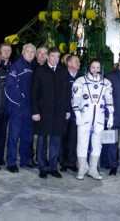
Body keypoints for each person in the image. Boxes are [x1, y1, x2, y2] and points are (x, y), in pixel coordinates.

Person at [31, 47, 71, 178]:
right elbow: (34, 93)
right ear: (47, 57)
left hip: (59, 112)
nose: (55, 59)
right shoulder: (39, 71)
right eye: (53, 56)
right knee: (42, 140)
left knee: (55, 140)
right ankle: (43, 166)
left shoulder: (63, 72)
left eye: (57, 57)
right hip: (43, 112)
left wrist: (67, 109)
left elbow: (66, 93)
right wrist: (35, 111)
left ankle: (53, 166)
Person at [72, 58, 114, 180]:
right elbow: (76, 99)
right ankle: (81, 168)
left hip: (99, 118)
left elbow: (109, 100)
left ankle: (93, 168)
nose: (95, 70)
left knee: (97, 143)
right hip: (84, 117)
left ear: (101, 68)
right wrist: (78, 115)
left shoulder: (106, 83)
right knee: (82, 143)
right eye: (93, 67)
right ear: (89, 67)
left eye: (97, 68)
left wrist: (111, 116)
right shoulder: (80, 81)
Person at [4, 43, 37, 173]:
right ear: (23, 52)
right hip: (18, 108)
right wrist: (20, 99)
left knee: (27, 136)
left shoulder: (33, 66)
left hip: (30, 108)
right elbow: (10, 86)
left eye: (32, 52)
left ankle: (25, 160)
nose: (30, 54)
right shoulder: (16, 66)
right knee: (14, 135)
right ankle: (11, 162)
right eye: (28, 51)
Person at [60, 54, 83, 173]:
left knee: (74, 139)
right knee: (63, 138)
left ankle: (71, 162)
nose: (79, 63)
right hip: (64, 113)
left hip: (76, 113)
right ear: (69, 64)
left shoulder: (81, 77)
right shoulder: (62, 75)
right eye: (76, 61)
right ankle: (63, 162)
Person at [0, 42, 13, 166]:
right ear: (0, 51)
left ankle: (1, 156)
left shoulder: (13, 65)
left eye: (8, 50)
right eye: (4, 50)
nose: (6, 52)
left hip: (9, 105)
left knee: (6, 133)